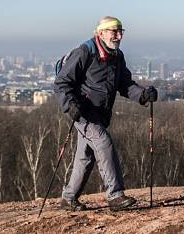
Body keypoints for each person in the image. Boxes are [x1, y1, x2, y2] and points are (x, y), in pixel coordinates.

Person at [53, 16, 158, 211]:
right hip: (82, 112)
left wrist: (143, 95)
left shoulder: (117, 56)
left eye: (120, 32)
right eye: (114, 31)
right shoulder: (85, 52)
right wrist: (70, 105)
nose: (118, 36)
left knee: (85, 156)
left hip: (101, 114)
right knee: (103, 143)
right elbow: (61, 83)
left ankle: (68, 198)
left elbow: (124, 84)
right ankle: (115, 195)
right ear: (100, 33)